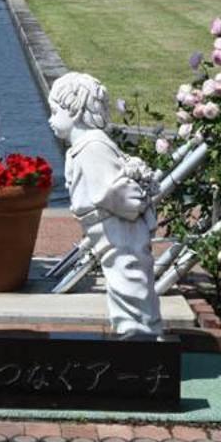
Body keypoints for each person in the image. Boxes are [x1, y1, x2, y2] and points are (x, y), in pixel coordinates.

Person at [50, 71, 163, 339]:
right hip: (109, 232)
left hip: (119, 231)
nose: (50, 119)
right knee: (122, 282)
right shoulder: (84, 146)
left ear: (74, 111)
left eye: (55, 112)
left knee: (129, 280)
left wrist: (136, 195)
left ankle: (141, 340)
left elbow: (111, 193)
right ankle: (136, 337)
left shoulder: (92, 146)